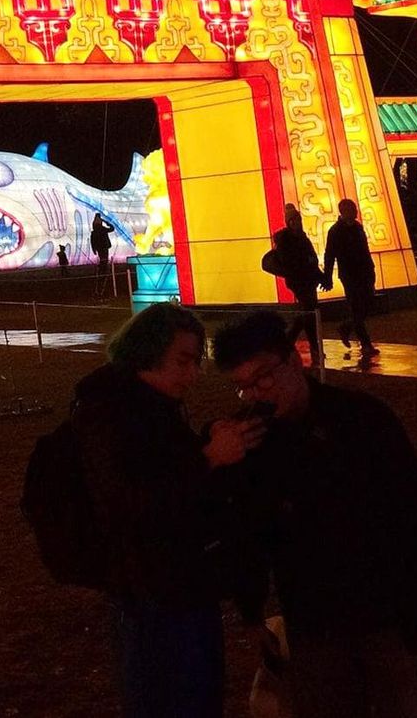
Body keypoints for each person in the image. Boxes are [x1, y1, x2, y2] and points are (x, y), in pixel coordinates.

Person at [212, 311, 417, 718]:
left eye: (263, 378)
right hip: (313, 623)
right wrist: (251, 611)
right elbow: (248, 532)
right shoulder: (251, 443)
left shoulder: (363, 419)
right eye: (242, 387)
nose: (256, 394)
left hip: (389, 613)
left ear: (294, 360)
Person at [73, 303, 266, 716]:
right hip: (152, 592)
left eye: (196, 362)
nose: (193, 375)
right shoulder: (109, 413)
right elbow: (130, 500)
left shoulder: (149, 405)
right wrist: (210, 458)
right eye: (183, 361)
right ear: (147, 350)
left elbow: (165, 476)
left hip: (180, 582)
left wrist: (207, 442)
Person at [267, 203, 328, 364]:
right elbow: (292, 261)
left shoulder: (302, 237)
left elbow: (311, 259)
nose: (296, 223)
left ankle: (308, 346)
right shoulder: (286, 240)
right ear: (288, 222)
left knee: (309, 314)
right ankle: (290, 343)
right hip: (298, 280)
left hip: (308, 280)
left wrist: (318, 274)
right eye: (292, 220)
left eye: (297, 219)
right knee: (308, 313)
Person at [323, 198, 378, 356]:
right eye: (352, 209)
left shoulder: (357, 228)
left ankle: (346, 327)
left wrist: (371, 270)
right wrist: (328, 276)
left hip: (364, 272)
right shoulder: (335, 231)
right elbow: (329, 255)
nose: (355, 212)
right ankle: (366, 343)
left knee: (366, 305)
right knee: (356, 307)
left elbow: (365, 251)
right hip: (349, 275)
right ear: (343, 211)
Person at [90, 213, 114, 278]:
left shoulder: (94, 232)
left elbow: (92, 241)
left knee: (102, 259)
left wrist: (94, 249)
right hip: (104, 247)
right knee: (105, 259)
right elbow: (112, 228)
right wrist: (106, 222)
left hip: (99, 248)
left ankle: (102, 270)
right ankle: (103, 270)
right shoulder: (103, 229)